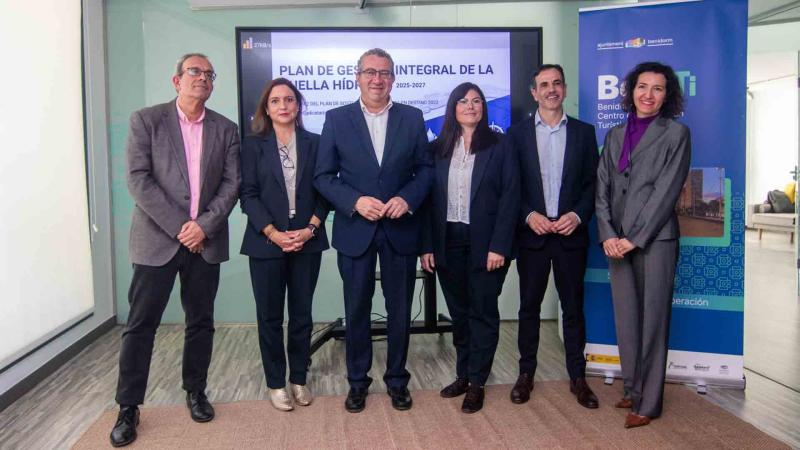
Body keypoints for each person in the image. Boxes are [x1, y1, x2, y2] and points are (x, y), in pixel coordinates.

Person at [111, 53, 240, 447]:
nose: (202, 78)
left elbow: (232, 184)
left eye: (209, 74)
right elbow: (138, 180)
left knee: (200, 322)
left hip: (206, 241)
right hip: (157, 242)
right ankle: (128, 406)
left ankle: (196, 391)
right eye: (194, 72)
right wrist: (181, 228)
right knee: (141, 325)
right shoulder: (146, 120)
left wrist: (203, 226)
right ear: (176, 80)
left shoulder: (226, 129)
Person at [314, 48, 433, 413]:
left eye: (384, 73)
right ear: (358, 77)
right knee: (357, 309)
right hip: (356, 229)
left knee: (399, 310)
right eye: (370, 72)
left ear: (393, 79)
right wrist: (354, 201)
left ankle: (397, 380)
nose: (377, 79)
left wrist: (407, 199)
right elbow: (323, 176)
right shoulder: (337, 119)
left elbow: (426, 170)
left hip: (401, 228)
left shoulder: (412, 117)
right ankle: (357, 382)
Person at [595, 61, 691, 428]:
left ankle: (648, 403)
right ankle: (633, 388)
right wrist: (608, 234)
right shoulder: (615, 134)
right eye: (642, 86)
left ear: (667, 96)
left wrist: (633, 239)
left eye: (657, 88)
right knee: (627, 320)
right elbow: (602, 187)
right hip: (616, 241)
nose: (648, 95)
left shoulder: (676, 134)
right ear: (631, 91)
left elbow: (666, 192)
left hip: (654, 241)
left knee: (653, 322)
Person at [420, 82, 519, 413]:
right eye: (463, 101)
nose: (470, 106)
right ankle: (463, 374)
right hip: (447, 242)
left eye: (477, 101)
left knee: (483, 312)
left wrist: (499, 246)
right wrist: (427, 246)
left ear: (484, 108)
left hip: (487, 244)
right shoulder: (436, 149)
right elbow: (427, 203)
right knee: (460, 314)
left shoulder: (501, 145)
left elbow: (510, 197)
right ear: (453, 108)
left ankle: (478, 382)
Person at [507, 64, 600, 409]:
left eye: (556, 83)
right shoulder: (516, 135)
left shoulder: (584, 133)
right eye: (544, 85)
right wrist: (528, 215)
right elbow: (510, 185)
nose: (551, 90)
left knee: (573, 309)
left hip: (570, 235)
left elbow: (593, 184)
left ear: (564, 89)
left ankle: (578, 377)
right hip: (532, 236)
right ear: (534, 93)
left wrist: (577, 215)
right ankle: (525, 374)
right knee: (528, 308)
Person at [239, 78, 329, 411]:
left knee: (302, 315)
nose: (283, 106)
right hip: (266, 243)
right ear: (266, 108)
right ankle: (276, 383)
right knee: (270, 317)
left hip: (308, 241)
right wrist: (273, 232)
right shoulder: (252, 145)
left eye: (289, 99)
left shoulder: (316, 143)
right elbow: (247, 195)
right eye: (275, 100)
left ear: (298, 104)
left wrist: (311, 228)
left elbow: (325, 190)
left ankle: (299, 379)